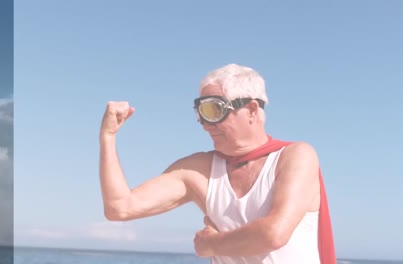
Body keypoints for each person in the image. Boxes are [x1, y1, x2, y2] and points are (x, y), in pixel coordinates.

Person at [99, 63, 336, 264]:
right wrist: (108, 137)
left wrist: (211, 245)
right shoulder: (199, 170)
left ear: (251, 110)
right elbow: (120, 207)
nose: (205, 124)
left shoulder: (295, 156)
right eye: (201, 113)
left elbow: (273, 234)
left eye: (214, 110)